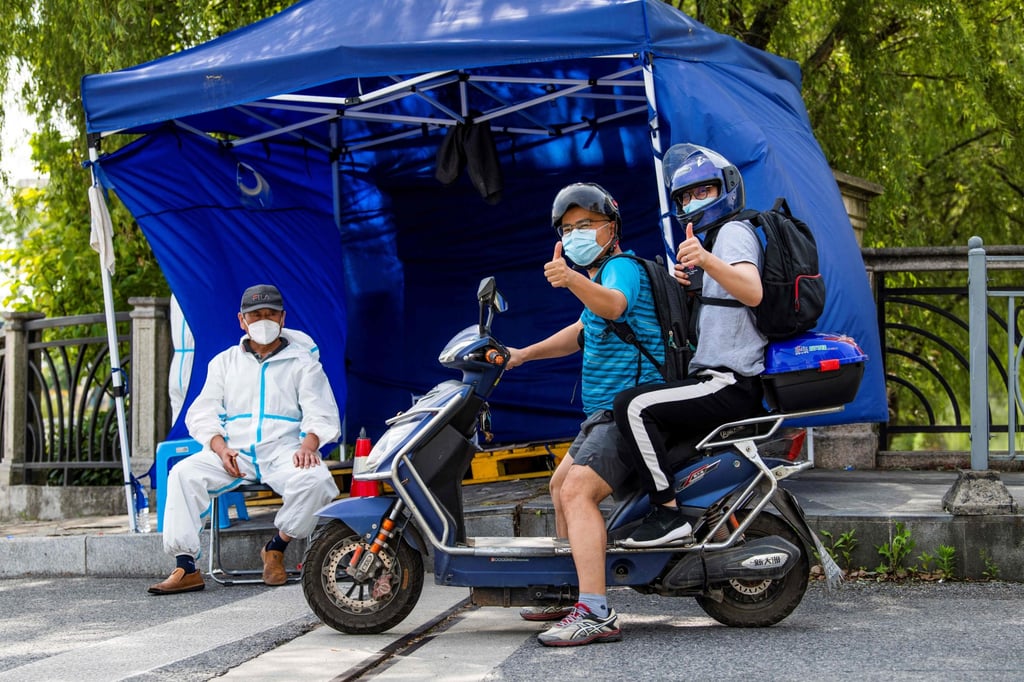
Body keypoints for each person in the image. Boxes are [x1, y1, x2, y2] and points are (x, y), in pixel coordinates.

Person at [506, 183, 664, 646]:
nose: (576, 234)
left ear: (610, 228)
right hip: (603, 412)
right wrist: (523, 354)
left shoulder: (621, 269)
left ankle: (595, 610)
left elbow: (615, 305)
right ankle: (569, 592)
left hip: (628, 411)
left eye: (586, 225)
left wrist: (571, 278)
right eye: (568, 228)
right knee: (560, 486)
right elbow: (581, 331)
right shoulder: (599, 279)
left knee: (576, 491)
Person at [613, 143, 768, 548]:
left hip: (729, 380)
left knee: (631, 405)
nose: (693, 201)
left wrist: (707, 260)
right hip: (719, 377)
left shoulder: (733, 231)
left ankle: (668, 516)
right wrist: (698, 284)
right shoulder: (716, 239)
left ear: (726, 188)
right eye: (685, 195)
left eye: (704, 191)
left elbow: (752, 291)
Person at [149, 284, 341, 595]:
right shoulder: (224, 362)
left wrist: (309, 444)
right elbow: (202, 413)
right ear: (242, 320)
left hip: (284, 452)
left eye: (270, 314)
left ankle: (276, 548)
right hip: (234, 453)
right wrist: (220, 448)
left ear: (282, 318)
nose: (263, 320)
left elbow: (321, 410)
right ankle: (186, 567)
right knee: (183, 474)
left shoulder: (303, 362)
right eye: (255, 315)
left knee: (318, 481)